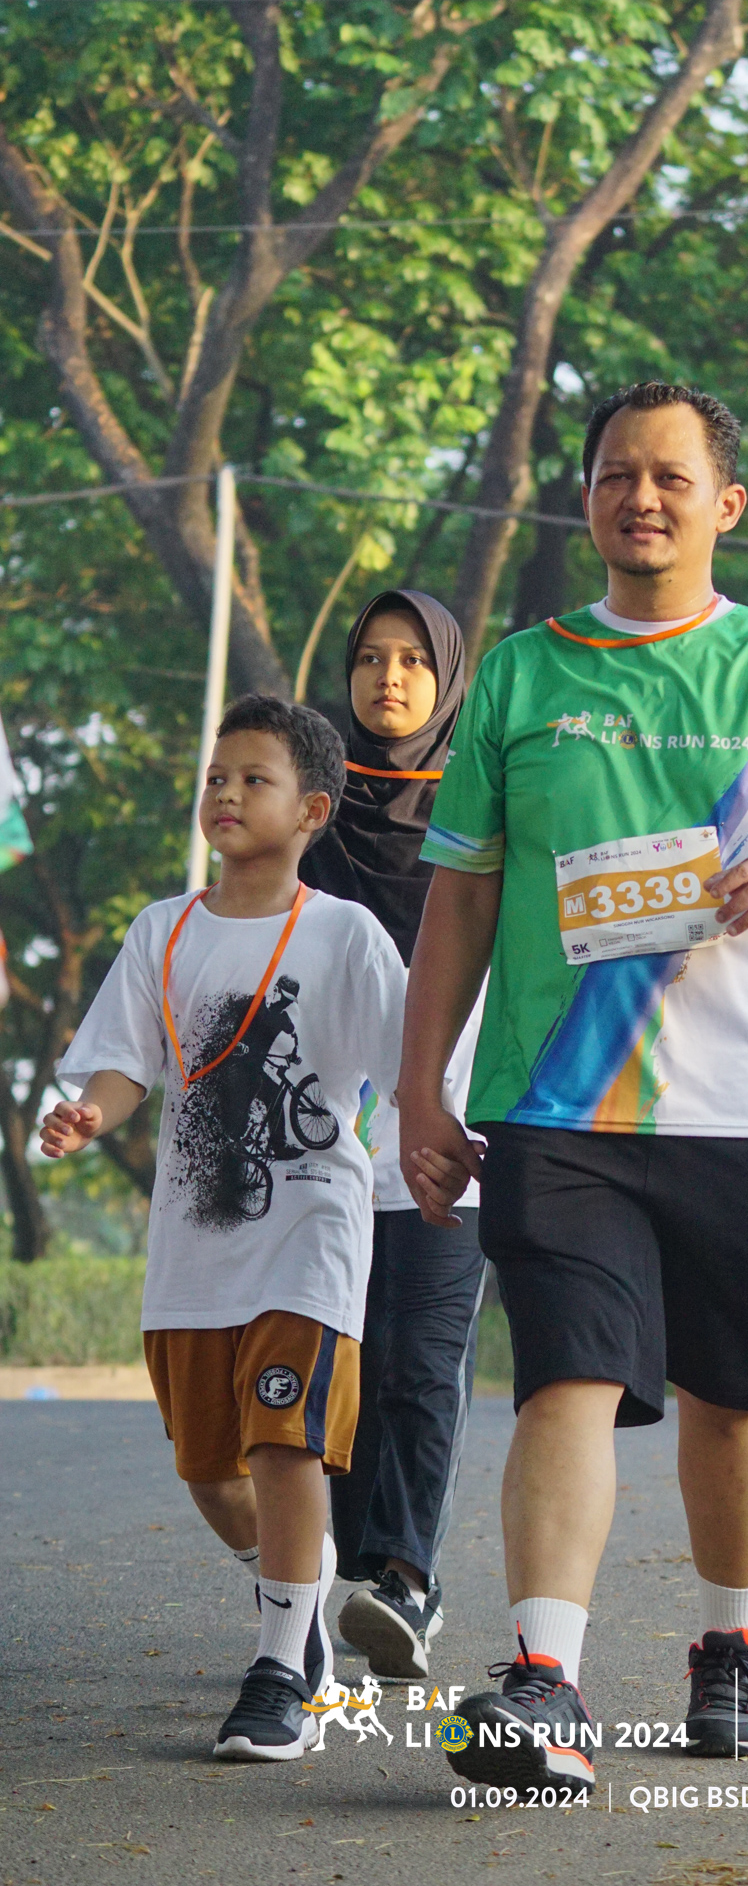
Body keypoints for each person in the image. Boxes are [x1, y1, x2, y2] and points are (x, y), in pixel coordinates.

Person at [396, 380, 748, 1792]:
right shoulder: (519, 674)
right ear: (587, 498)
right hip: (557, 1101)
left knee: (733, 1397)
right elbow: (459, 898)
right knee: (567, 1374)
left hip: (746, 1103)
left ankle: (728, 1646)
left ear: (723, 504)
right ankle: (542, 1679)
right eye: (618, 473)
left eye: (671, 477)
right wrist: (421, 1090)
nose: (642, 497)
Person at [41, 696, 406, 1761]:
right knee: (210, 1472)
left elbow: (410, 1058)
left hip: (312, 1231)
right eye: (215, 777)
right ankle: (299, 1595)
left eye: (254, 779)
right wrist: (89, 1113)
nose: (227, 794)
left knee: (284, 1440)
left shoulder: (344, 932)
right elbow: (124, 1061)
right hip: (196, 1246)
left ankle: (281, 1671)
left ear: (312, 811)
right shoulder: (162, 930)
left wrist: (442, 1151)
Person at [302, 590, 487, 1679]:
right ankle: (332, 1576)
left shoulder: (486, 805)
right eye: (371, 658)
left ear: (448, 676)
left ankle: (404, 1581)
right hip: (318, 1148)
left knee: (421, 1365)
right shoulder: (310, 811)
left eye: (414, 660)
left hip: (449, 1141)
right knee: (340, 1375)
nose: (389, 679)